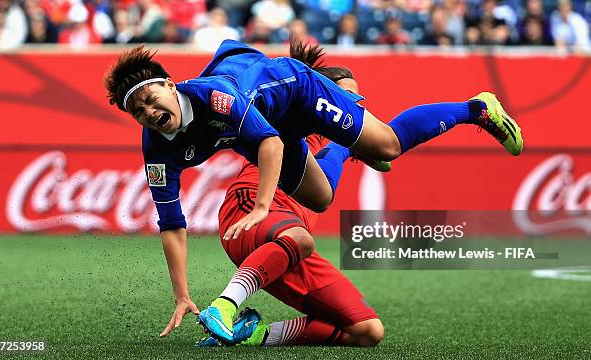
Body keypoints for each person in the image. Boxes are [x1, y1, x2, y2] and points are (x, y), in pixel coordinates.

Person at [103, 37, 523, 342]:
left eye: (151, 99)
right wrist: (181, 294)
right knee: (321, 198)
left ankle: (477, 108)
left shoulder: (216, 99)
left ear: (171, 84)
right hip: (271, 126)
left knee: (388, 144)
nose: (149, 113)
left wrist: (262, 206)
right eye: (138, 112)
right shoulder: (156, 147)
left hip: (298, 91)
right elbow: (172, 222)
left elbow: (268, 144)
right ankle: (350, 146)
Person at [193, 40, 383, 347]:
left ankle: (252, 336)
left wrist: (358, 147)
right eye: (347, 96)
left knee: (367, 331)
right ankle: (223, 307)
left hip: (289, 243)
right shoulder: (296, 118)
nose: (356, 105)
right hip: (252, 206)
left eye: (357, 98)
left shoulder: (341, 134)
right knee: (299, 238)